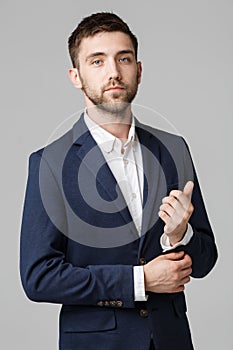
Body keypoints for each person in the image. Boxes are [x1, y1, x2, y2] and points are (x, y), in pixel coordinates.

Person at [20, 12, 218, 350]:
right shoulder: (49, 163)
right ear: (76, 76)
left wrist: (178, 236)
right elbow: (39, 278)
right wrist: (139, 281)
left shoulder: (173, 148)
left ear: (138, 70)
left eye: (123, 58)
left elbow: (205, 259)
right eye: (97, 61)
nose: (113, 72)